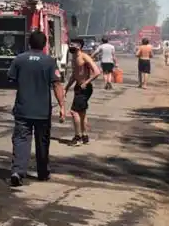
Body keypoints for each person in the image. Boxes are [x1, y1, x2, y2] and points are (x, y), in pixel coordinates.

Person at [6, 31, 66, 187]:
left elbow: (11, 79)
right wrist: (62, 106)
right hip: (42, 111)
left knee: (21, 140)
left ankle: (17, 171)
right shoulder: (49, 61)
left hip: (23, 108)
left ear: (29, 43)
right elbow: (56, 84)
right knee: (43, 141)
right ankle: (43, 172)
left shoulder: (19, 60)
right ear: (45, 44)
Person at [66, 37, 101, 146]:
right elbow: (74, 74)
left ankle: (77, 137)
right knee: (81, 113)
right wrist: (66, 87)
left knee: (74, 112)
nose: (71, 46)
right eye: (70, 44)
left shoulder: (84, 57)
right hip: (78, 86)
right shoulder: (73, 58)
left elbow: (97, 72)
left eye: (73, 44)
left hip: (85, 88)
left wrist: (86, 82)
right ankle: (85, 136)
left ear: (80, 46)